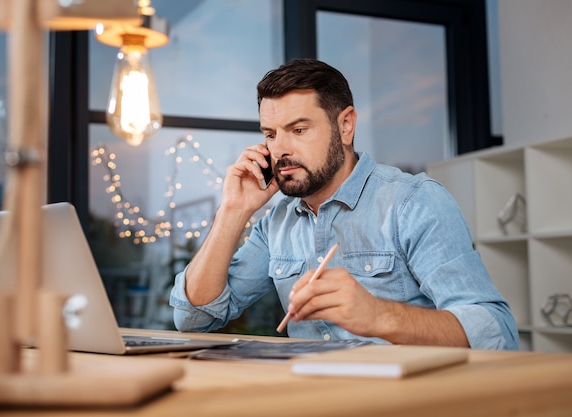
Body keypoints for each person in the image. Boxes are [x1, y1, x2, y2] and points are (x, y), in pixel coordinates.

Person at [170, 59, 519, 350]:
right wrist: (233, 211)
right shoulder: (277, 223)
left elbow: (497, 333)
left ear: (346, 126)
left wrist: (379, 316)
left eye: (299, 130)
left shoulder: (413, 202)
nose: (280, 150)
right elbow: (193, 317)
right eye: (271, 134)